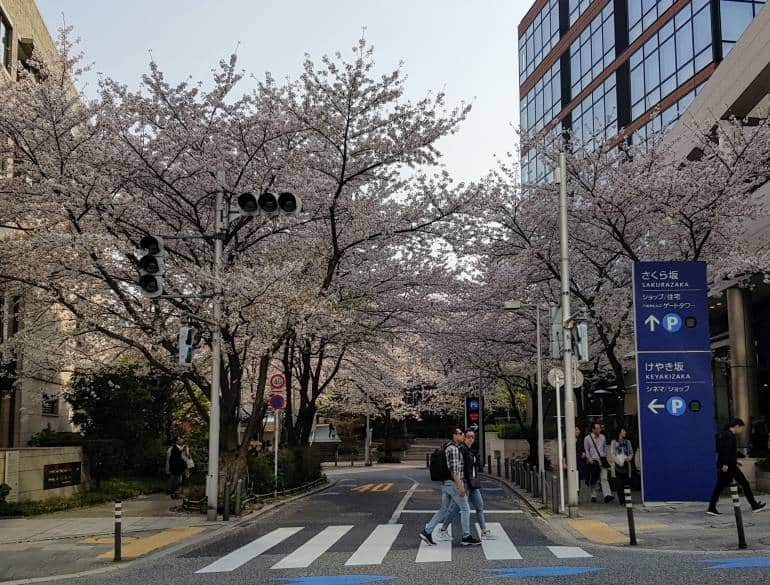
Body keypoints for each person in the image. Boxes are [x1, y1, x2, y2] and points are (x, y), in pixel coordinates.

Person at [419, 428, 481, 546]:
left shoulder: (449, 447)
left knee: (443, 509)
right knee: (465, 508)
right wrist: (460, 486)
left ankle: (427, 531)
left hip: (447, 484)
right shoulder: (453, 449)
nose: (463, 435)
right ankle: (466, 536)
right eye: (461, 434)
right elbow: (454, 470)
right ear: (454, 435)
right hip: (453, 483)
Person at [438, 429, 493, 540]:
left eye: (473, 437)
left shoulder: (471, 450)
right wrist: (460, 484)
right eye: (468, 436)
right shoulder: (461, 450)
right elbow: (458, 468)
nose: (471, 439)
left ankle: (483, 530)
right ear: (464, 438)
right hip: (465, 483)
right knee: (455, 509)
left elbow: (475, 466)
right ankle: (443, 529)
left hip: (473, 483)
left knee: (480, 506)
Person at [707, 418, 766, 515]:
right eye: (741, 428)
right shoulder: (730, 436)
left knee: (720, 486)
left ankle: (711, 507)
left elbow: (726, 452)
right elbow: (725, 451)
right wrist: (725, 464)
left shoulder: (724, 434)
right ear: (736, 426)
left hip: (729, 465)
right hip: (729, 467)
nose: (741, 430)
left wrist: (734, 461)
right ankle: (754, 506)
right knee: (744, 484)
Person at [584, 422, 614, 503]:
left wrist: (607, 458)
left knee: (604, 478)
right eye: (597, 428)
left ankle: (607, 495)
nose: (598, 430)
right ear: (593, 429)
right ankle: (593, 495)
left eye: (599, 428)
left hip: (602, 460)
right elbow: (586, 450)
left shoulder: (603, 437)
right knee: (594, 479)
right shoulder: (587, 438)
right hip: (593, 461)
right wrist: (589, 459)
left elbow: (604, 448)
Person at [610, 428, 634, 505]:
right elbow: (612, 454)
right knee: (619, 485)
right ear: (619, 433)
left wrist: (629, 458)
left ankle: (627, 500)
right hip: (617, 465)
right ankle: (622, 501)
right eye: (623, 431)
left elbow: (631, 453)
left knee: (626, 483)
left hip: (626, 465)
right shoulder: (614, 442)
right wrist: (619, 462)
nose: (625, 432)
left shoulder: (628, 442)